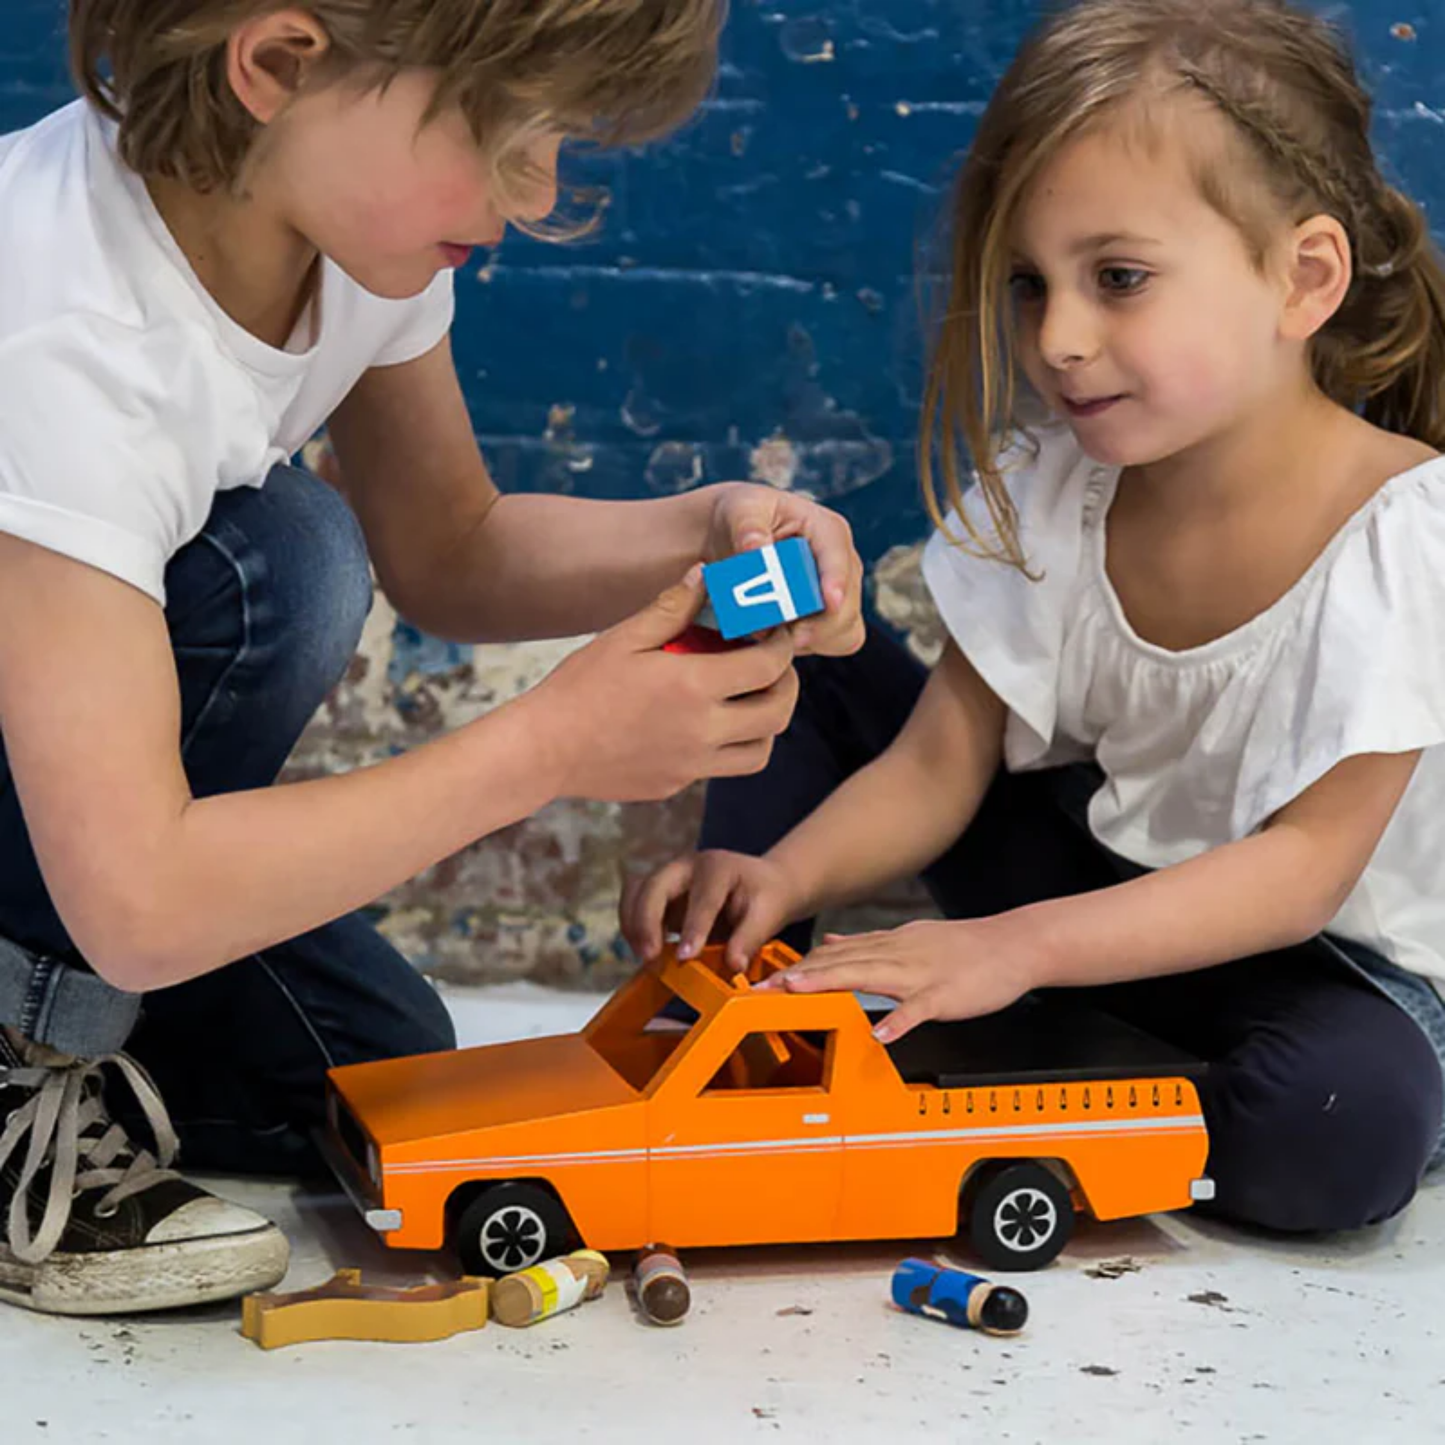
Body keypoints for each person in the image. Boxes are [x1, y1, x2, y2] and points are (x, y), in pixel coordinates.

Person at [0, 0, 866, 1315]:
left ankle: (78, 1017)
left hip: (67, 817)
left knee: (382, 1066)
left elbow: (454, 548)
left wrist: (707, 529)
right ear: (280, 67)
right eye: (510, 139)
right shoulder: (58, 342)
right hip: (104, 874)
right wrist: (555, 747)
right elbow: (137, 906)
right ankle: (24, 1047)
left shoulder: (335, 220)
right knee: (284, 559)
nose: (536, 195)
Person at [623, 0, 1445, 1239]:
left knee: (1336, 1125)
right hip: (1090, 885)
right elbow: (941, 759)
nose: (1058, 339)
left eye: (1117, 278)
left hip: (1315, 964)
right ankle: (770, 1002)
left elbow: (1296, 875)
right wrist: (779, 867)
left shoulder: (1400, 527)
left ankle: (1015, 1054)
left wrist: (1008, 950)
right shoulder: (1055, 478)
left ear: (1301, 277)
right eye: (1027, 283)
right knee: (794, 645)